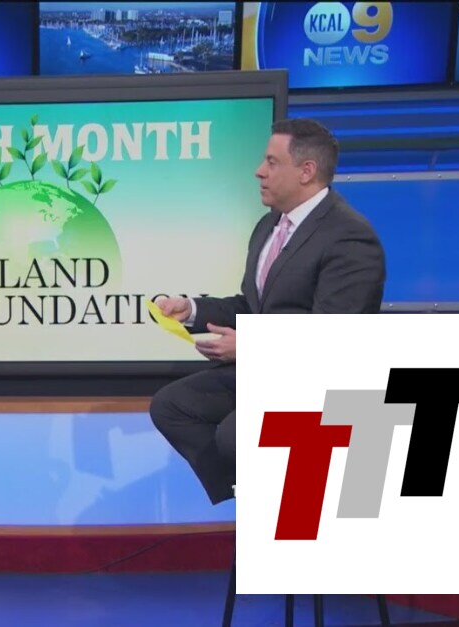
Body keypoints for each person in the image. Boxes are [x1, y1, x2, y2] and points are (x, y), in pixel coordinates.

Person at [150, 118, 386, 505]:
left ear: (306, 171)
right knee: (172, 406)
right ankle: (255, 496)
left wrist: (251, 348)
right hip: (269, 371)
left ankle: (291, 501)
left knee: (234, 437)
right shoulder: (269, 226)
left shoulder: (349, 237)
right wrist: (191, 309)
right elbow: (253, 306)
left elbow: (334, 339)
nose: (259, 171)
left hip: (317, 380)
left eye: (272, 162)